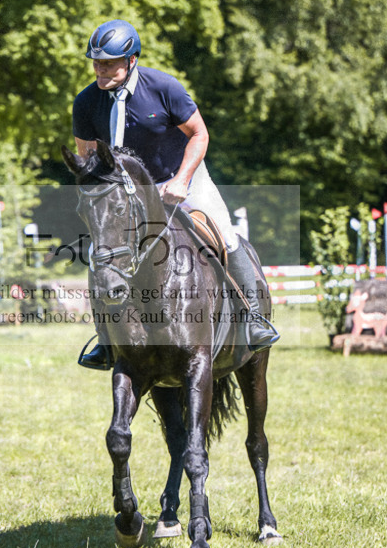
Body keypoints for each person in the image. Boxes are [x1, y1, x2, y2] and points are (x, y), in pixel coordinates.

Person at [72, 18, 279, 368]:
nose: (100, 69)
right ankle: (105, 341)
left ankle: (255, 320)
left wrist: (182, 179)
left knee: (226, 233)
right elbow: (89, 157)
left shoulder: (164, 88)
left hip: (181, 177)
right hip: (130, 193)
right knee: (97, 252)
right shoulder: (86, 102)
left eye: (108, 62)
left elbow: (199, 134)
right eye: (96, 62)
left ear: (132, 59)